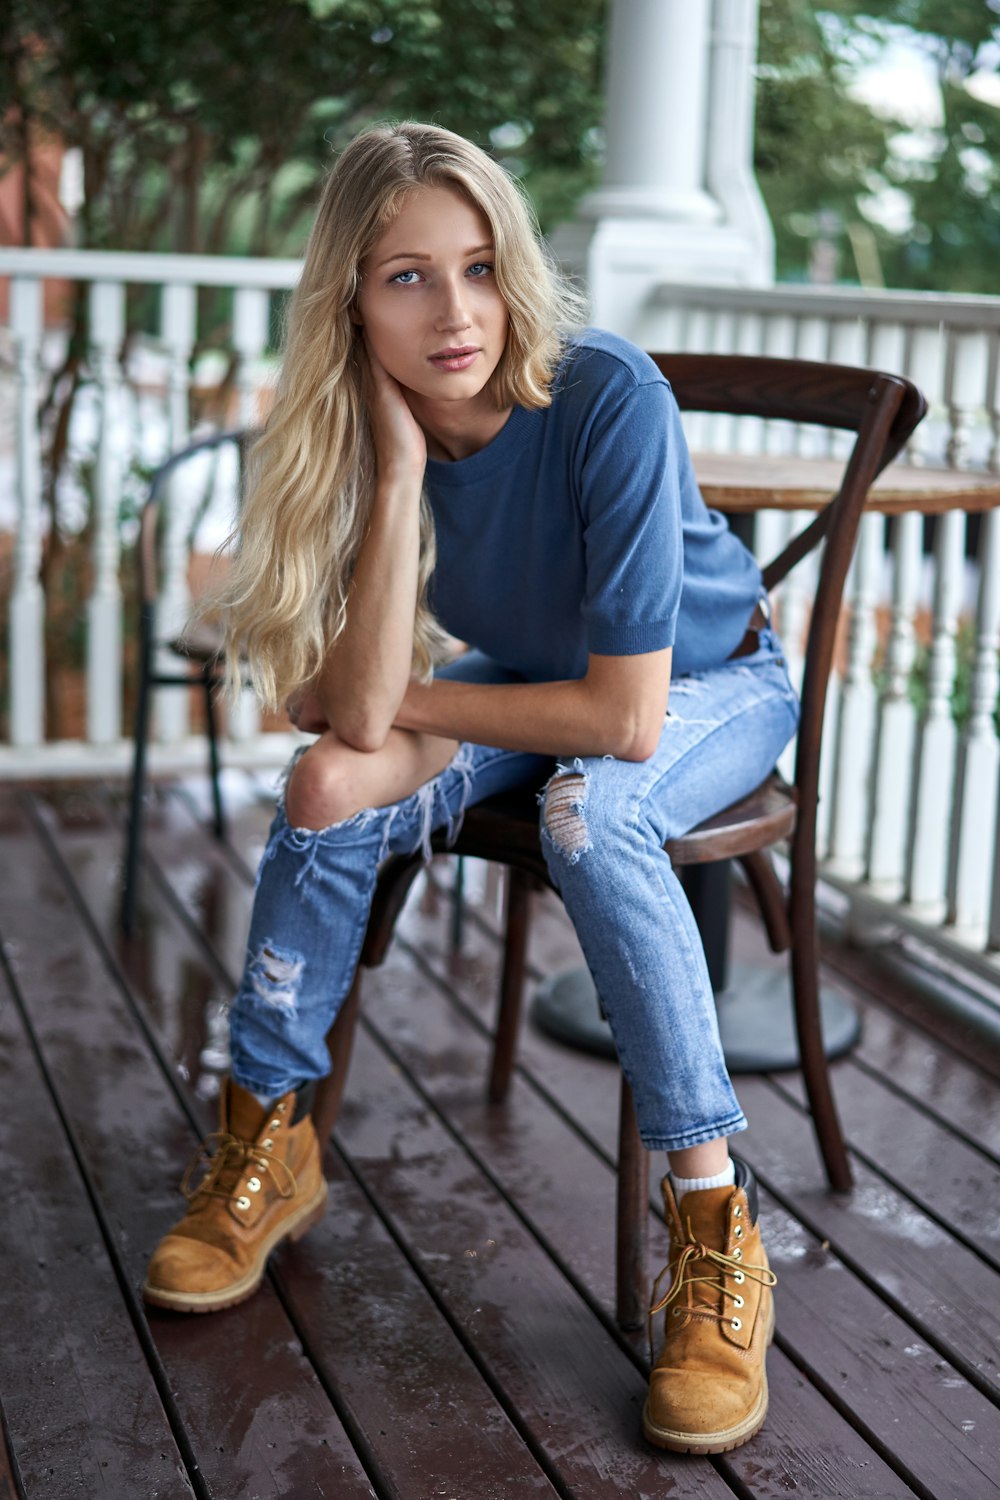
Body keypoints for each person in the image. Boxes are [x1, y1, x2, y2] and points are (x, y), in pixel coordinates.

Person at [143, 121, 796, 1456]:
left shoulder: (606, 393)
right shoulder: (351, 438)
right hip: (527, 678)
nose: (457, 313)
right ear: (350, 298)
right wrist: (394, 478)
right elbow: (325, 712)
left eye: (481, 267)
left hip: (713, 684)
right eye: (407, 277)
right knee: (327, 783)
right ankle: (269, 1140)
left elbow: (619, 717)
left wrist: (399, 700)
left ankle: (715, 1226)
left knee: (590, 810)